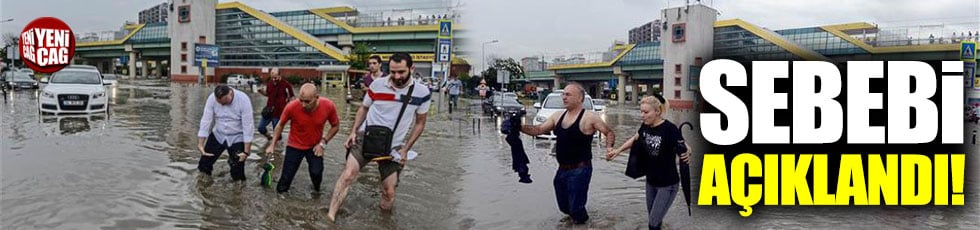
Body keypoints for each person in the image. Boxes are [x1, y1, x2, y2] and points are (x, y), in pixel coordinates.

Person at [327, 53, 431, 222]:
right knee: (348, 175)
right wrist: (353, 131)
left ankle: (384, 223)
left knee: (389, 191)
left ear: (412, 69)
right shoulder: (377, 85)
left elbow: (420, 123)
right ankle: (330, 216)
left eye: (401, 72)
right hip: (366, 137)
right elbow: (363, 108)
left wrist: (405, 149)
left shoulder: (422, 92)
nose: (397, 77)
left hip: (393, 146)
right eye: (392, 72)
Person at [516, 82, 616, 224]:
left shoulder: (589, 117)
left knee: (575, 208)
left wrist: (609, 148)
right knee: (564, 207)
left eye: (568, 94)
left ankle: (582, 224)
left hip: (581, 169)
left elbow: (609, 132)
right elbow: (538, 130)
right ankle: (585, 223)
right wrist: (519, 126)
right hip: (562, 169)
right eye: (563, 94)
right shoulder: (557, 116)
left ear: (580, 98)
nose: (564, 97)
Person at [606, 95, 691, 230]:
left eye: (646, 112)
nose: (642, 115)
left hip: (667, 184)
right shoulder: (645, 127)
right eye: (641, 112)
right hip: (650, 182)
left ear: (657, 111)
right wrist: (617, 151)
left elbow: (684, 145)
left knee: (652, 223)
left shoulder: (669, 129)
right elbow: (635, 138)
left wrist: (688, 151)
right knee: (655, 218)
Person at [264, 83, 340, 193]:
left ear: (316, 98)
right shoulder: (292, 106)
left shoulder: (328, 105)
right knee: (285, 180)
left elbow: (336, 126)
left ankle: (316, 194)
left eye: (307, 101)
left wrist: (323, 142)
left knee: (316, 173)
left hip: (315, 146)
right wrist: (272, 145)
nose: (303, 105)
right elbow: (280, 125)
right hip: (294, 145)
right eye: (301, 100)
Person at [196, 85, 255, 181]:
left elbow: (248, 126)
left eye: (225, 102)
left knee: (237, 171)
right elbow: (206, 120)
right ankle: (203, 186)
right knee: (203, 165)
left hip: (237, 137)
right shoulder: (211, 98)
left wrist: (246, 151)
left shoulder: (243, 100)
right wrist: (200, 143)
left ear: (230, 94)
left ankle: (239, 192)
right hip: (218, 134)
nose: (222, 105)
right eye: (220, 103)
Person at [258, 67, 295, 140]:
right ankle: (269, 137)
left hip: (279, 113)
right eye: (272, 78)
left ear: (279, 75)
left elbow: (292, 97)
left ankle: (278, 147)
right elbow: (268, 94)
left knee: (277, 131)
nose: (274, 79)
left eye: (275, 78)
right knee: (260, 127)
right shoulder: (270, 83)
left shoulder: (286, 85)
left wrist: (290, 109)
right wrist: (261, 92)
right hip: (268, 111)